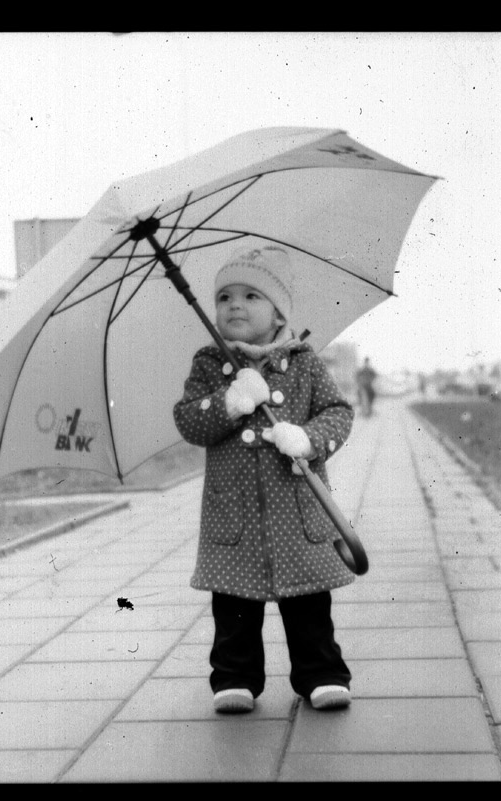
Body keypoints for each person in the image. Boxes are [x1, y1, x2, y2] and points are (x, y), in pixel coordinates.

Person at [173, 246, 355, 714]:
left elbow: (338, 412)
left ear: (278, 314)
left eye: (251, 295)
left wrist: (309, 439)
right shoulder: (209, 364)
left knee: (309, 604)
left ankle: (321, 673)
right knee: (234, 606)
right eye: (224, 297)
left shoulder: (304, 362)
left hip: (296, 511)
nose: (234, 305)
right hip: (235, 514)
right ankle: (235, 677)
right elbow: (189, 422)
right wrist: (229, 402)